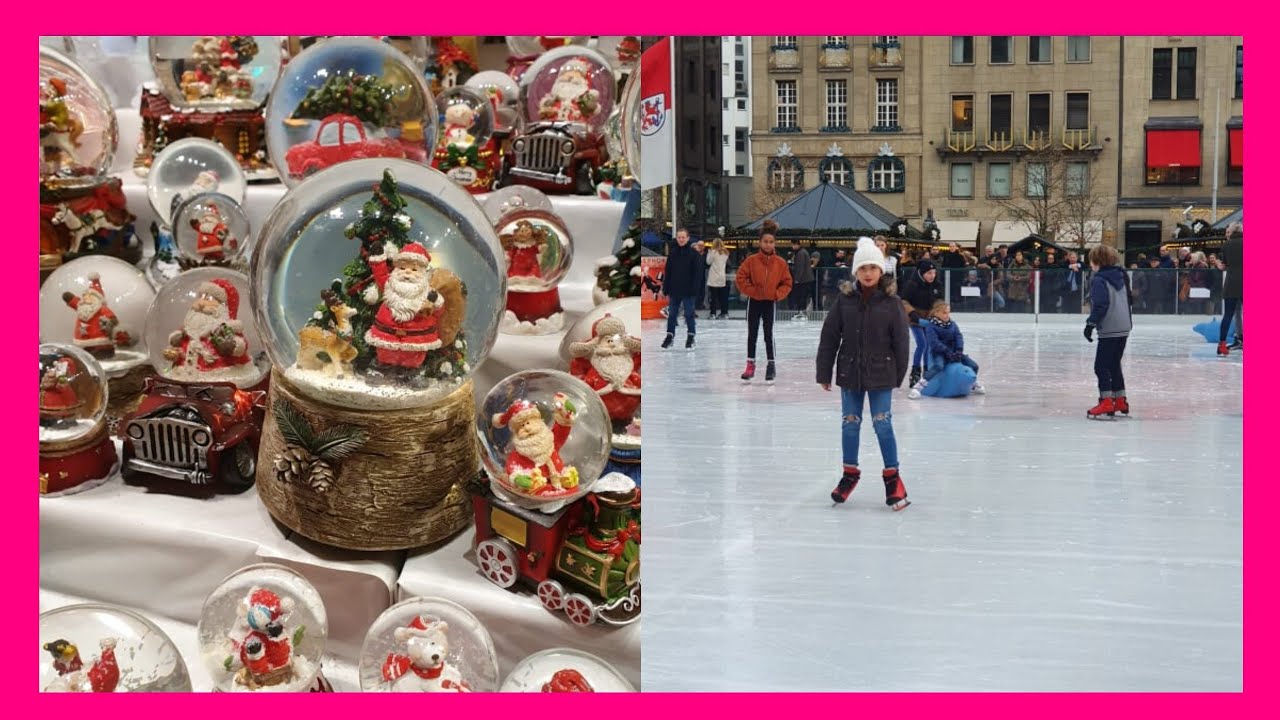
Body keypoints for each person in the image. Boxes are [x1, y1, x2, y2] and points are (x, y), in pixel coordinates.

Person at [817, 237, 911, 511]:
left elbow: (902, 343)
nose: (868, 273)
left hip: (882, 372)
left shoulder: (892, 303)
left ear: (881, 271)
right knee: (850, 422)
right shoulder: (844, 301)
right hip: (850, 371)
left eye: (873, 267)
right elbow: (829, 337)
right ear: (856, 272)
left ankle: (893, 478)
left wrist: (898, 375)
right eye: (863, 268)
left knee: (882, 423)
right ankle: (850, 474)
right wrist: (824, 371)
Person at [735, 220, 792, 383]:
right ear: (760, 242)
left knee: (769, 334)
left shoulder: (780, 263)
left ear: (775, 243)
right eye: (765, 242)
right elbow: (740, 278)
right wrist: (752, 291)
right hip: (754, 301)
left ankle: (771, 364)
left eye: (771, 242)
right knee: (752, 334)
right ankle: (750, 365)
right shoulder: (751, 261)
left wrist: (776, 294)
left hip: (769, 303)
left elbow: (787, 283)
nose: (768, 245)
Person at [1083, 244, 1133, 419]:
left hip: (1110, 327)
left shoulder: (1099, 279)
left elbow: (1101, 305)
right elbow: (1130, 299)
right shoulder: (1122, 275)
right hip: (1124, 326)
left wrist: (1090, 324)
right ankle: (1120, 399)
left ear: (1097, 261)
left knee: (1101, 366)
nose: (1090, 264)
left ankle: (1106, 401)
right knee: (1114, 364)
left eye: (1091, 260)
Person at [907, 301, 984, 399]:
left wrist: (959, 350)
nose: (947, 315)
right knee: (939, 366)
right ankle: (918, 387)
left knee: (974, 365)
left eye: (948, 312)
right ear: (936, 313)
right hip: (939, 352)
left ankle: (972, 384)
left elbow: (958, 337)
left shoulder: (952, 324)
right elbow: (934, 342)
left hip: (954, 351)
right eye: (944, 313)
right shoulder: (931, 326)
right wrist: (947, 352)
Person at [898, 258, 944, 388]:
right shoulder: (912, 285)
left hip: (930, 319)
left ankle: (927, 371)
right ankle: (915, 372)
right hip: (915, 319)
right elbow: (904, 301)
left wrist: (937, 315)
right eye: (929, 273)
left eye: (934, 273)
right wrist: (913, 315)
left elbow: (939, 302)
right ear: (922, 273)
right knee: (922, 344)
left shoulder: (937, 285)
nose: (932, 276)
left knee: (929, 345)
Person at [661, 228, 700, 349]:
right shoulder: (673, 253)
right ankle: (670, 336)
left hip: (688, 290)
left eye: (683, 237)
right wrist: (666, 287)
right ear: (676, 238)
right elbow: (668, 272)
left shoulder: (694, 254)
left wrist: (695, 289)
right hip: (675, 289)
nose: (681, 239)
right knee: (672, 314)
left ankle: (691, 336)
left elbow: (697, 274)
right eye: (679, 237)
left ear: (688, 238)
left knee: (689, 314)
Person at [1219, 223, 1243, 354]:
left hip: (1231, 283)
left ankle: (1222, 345)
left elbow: (1225, 264)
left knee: (1228, 315)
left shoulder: (1227, 244)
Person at [706, 238, 731, 319]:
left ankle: (713, 313)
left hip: (713, 276)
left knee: (713, 297)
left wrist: (709, 253)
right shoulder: (726, 253)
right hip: (722, 276)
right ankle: (724, 312)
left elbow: (708, 262)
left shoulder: (713, 252)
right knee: (723, 297)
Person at [788, 238, 814, 311]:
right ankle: (801, 310)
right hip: (806, 279)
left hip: (803, 280)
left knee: (801, 296)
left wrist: (797, 279)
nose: (792, 247)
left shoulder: (800, 253)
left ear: (796, 244)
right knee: (803, 296)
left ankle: (801, 311)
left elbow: (800, 267)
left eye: (792, 245)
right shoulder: (803, 252)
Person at [693, 239, 709, 312]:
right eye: (699, 245)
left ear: (704, 246)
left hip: (704, 274)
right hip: (695, 275)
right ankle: (696, 304)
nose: (700, 247)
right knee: (696, 290)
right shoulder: (694, 254)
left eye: (702, 245)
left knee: (703, 290)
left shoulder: (707, 254)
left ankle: (700, 304)